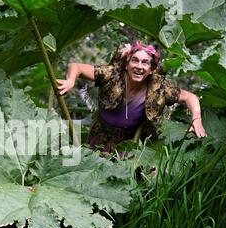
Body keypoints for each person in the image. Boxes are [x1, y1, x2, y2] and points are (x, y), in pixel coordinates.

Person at [57, 40, 207, 153]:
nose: (139, 66)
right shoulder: (112, 75)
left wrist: (197, 119)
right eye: (135, 60)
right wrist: (71, 80)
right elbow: (75, 66)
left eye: (145, 63)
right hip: (100, 134)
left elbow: (190, 97)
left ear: (151, 69)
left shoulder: (159, 88)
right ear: (127, 64)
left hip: (129, 143)